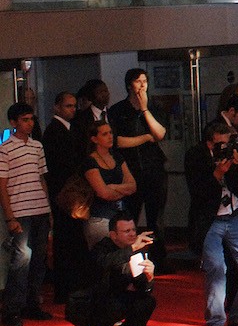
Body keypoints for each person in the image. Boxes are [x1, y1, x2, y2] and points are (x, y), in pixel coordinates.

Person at [191, 121, 238, 326]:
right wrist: (217, 174)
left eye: (227, 143)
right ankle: (215, 322)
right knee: (216, 269)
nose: (224, 148)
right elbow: (197, 192)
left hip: (235, 217)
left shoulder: (235, 156)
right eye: (219, 144)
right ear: (209, 143)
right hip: (210, 220)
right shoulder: (196, 156)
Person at [108, 69, 168, 265]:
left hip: (154, 168)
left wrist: (144, 110)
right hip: (130, 170)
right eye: (137, 81)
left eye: (145, 81)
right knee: (129, 216)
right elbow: (116, 141)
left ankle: (158, 259)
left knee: (156, 218)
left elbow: (159, 134)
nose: (142, 85)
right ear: (129, 85)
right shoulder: (117, 111)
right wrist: (144, 138)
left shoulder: (154, 107)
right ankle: (127, 258)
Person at [1, 103, 51, 326]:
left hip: (40, 209)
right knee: (22, 260)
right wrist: (10, 217)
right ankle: (12, 309)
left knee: (38, 260)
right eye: (24, 120)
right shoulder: (5, 148)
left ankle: (32, 304)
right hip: (20, 211)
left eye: (31, 119)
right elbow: (2, 185)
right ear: (13, 123)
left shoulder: (37, 146)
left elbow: (42, 179)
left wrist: (48, 208)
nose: (29, 123)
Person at [80, 216, 156, 326]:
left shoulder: (138, 251)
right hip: (88, 301)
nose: (133, 234)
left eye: (134, 229)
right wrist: (132, 248)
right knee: (110, 304)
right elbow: (105, 263)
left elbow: (142, 288)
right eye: (126, 231)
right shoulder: (102, 248)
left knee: (147, 301)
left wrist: (150, 277)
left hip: (117, 296)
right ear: (113, 235)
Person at [43, 91, 87, 302]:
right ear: (57, 107)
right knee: (66, 241)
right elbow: (62, 165)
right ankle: (66, 289)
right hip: (64, 194)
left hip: (67, 192)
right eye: (68, 106)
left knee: (70, 241)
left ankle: (70, 287)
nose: (73, 109)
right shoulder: (55, 132)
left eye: (73, 106)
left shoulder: (66, 129)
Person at [81, 120, 134, 248]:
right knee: (106, 257)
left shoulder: (117, 157)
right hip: (100, 216)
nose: (110, 136)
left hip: (120, 215)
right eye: (105, 134)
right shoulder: (90, 161)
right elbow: (103, 193)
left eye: (111, 133)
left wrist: (114, 187)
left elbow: (132, 186)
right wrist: (121, 190)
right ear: (94, 139)